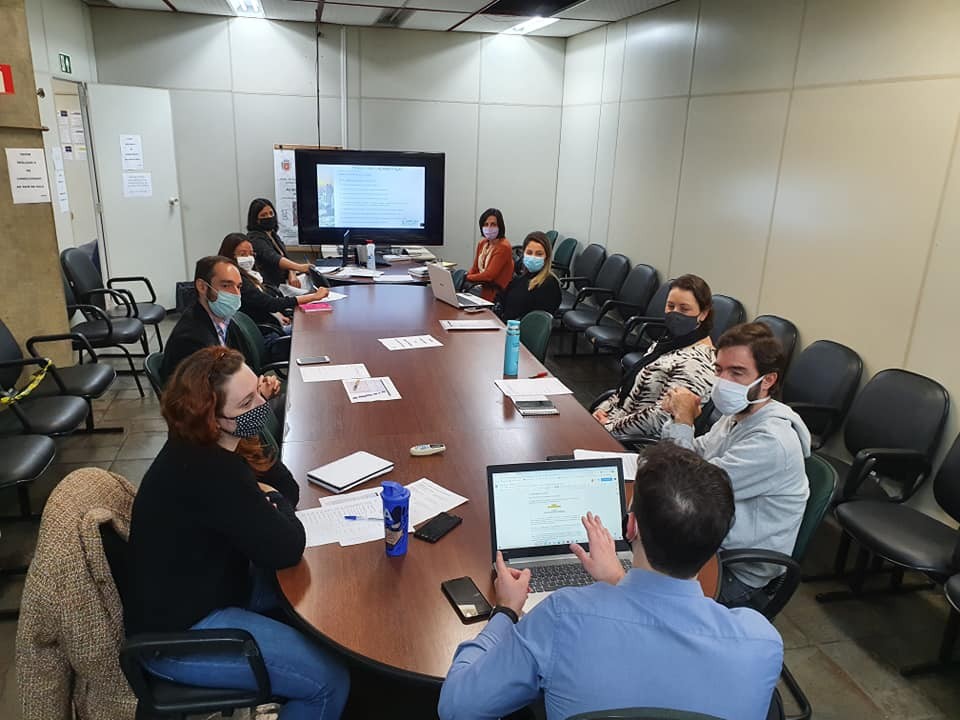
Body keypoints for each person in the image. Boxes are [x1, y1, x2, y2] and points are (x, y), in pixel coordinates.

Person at [438, 443, 783, 720]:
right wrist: (617, 580)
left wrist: (506, 611)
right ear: (717, 543)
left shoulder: (562, 616)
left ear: (630, 528)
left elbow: (457, 707)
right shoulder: (763, 641)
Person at [125, 347, 349, 719]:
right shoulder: (211, 470)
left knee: (332, 593)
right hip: (181, 637)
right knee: (329, 682)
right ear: (212, 418)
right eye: (247, 404)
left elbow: (287, 491)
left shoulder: (213, 444)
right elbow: (286, 546)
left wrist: (269, 493)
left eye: (258, 393)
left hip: (218, 586)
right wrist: (273, 503)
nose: (261, 405)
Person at [660, 322, 811, 609]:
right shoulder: (736, 415)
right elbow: (691, 456)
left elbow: (688, 488)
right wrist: (676, 418)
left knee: (649, 599)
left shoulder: (772, 442)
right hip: (704, 537)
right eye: (719, 370)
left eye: (737, 372)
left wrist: (683, 421)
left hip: (734, 570)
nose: (723, 381)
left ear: (767, 380)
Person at [592, 274, 716, 438]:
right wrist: (603, 409)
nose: (674, 313)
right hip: (615, 424)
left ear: (703, 314)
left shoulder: (699, 361)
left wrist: (609, 427)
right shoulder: (668, 343)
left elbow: (661, 417)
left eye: (684, 309)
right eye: (670, 306)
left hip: (636, 442)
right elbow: (628, 388)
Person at [159, 256, 281, 408]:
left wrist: (257, 384)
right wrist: (258, 396)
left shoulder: (224, 321)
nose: (235, 294)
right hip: (212, 426)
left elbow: (235, 372)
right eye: (226, 285)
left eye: (238, 287)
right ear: (202, 287)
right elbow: (206, 405)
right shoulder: (192, 339)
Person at [218, 233, 329, 332]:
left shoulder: (253, 275)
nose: (249, 258)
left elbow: (264, 299)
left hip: (273, 323)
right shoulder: (239, 283)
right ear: (229, 256)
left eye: (251, 254)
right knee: (316, 328)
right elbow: (271, 303)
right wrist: (314, 297)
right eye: (243, 254)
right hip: (266, 333)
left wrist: (278, 314)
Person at [246, 198, 312, 289]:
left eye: (271, 213)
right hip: (272, 287)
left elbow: (285, 258)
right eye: (263, 215)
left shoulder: (273, 235)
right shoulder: (254, 238)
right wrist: (299, 267)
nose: (269, 217)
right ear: (256, 219)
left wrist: (292, 273)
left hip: (285, 282)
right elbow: (274, 258)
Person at [495, 231, 561, 321]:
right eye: (529, 253)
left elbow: (537, 323)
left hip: (519, 332)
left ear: (547, 257)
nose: (533, 257)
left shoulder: (549, 285)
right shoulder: (520, 279)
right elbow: (502, 299)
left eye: (539, 254)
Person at [465, 208, 513, 302]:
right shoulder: (482, 243)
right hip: (479, 287)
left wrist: (467, 277)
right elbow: (475, 268)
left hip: (493, 294)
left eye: (493, 224)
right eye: (486, 224)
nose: (489, 228)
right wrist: (468, 277)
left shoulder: (503, 246)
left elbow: (488, 276)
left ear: (500, 226)